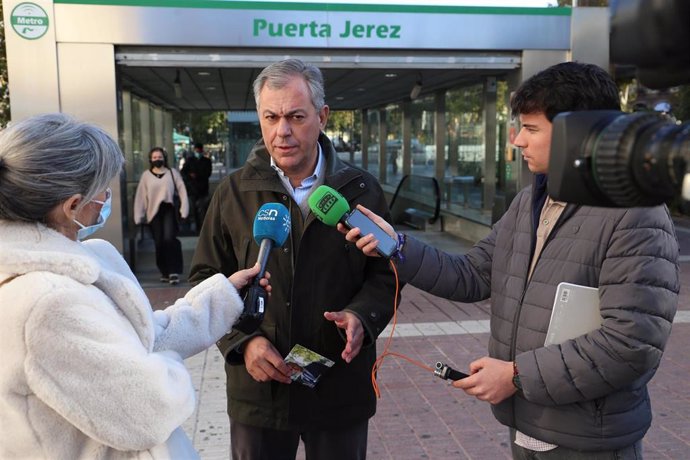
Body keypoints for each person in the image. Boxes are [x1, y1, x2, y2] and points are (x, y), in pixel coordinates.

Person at [340, 62, 679, 459]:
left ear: (581, 134)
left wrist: (517, 376)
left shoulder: (636, 213)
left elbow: (630, 344)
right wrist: (397, 246)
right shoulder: (529, 202)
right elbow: (472, 275)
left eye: (532, 129)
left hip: (591, 439)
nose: (517, 140)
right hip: (526, 425)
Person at [0, 113, 271, 459]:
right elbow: (150, 408)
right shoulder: (47, 305)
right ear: (71, 206)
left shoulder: (81, 263)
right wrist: (160, 370)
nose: (107, 196)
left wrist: (224, 296)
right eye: (102, 186)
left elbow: (145, 336)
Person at [188, 58, 398, 460]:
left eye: (296, 117)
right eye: (271, 117)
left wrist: (362, 317)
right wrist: (243, 342)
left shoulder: (360, 190)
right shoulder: (233, 192)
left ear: (322, 116)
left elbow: (386, 273)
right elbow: (205, 278)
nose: (281, 131)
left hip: (339, 385)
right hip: (259, 392)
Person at [134, 147, 189, 284]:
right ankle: (164, 271)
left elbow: (182, 190)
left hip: (168, 209)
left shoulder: (172, 173)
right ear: (150, 159)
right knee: (159, 242)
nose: (157, 159)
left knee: (169, 239)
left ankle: (173, 271)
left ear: (164, 157)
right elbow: (141, 195)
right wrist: (138, 215)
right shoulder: (146, 175)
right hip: (153, 213)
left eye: (160, 157)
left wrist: (184, 209)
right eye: (154, 157)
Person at [181, 142, 212, 233]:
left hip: (202, 189)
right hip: (191, 189)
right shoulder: (190, 160)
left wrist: (197, 175)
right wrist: (190, 177)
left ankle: (201, 228)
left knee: (202, 209)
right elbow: (183, 172)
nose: (198, 152)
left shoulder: (206, 161)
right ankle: (195, 226)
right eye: (196, 150)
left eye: (199, 150)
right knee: (193, 209)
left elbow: (208, 173)